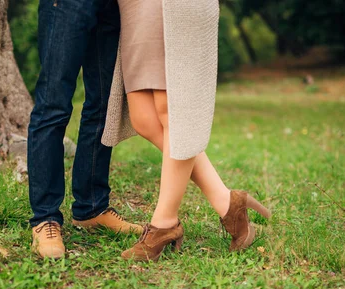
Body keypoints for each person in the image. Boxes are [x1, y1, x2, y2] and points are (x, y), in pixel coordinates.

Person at [102, 0, 271, 262]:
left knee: (171, 109)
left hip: (171, 6)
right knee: (143, 119)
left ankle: (164, 223)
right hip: (133, 7)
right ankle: (228, 202)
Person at [27, 0, 142, 259]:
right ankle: (45, 218)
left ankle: (92, 208)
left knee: (103, 104)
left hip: (113, 5)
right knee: (53, 103)